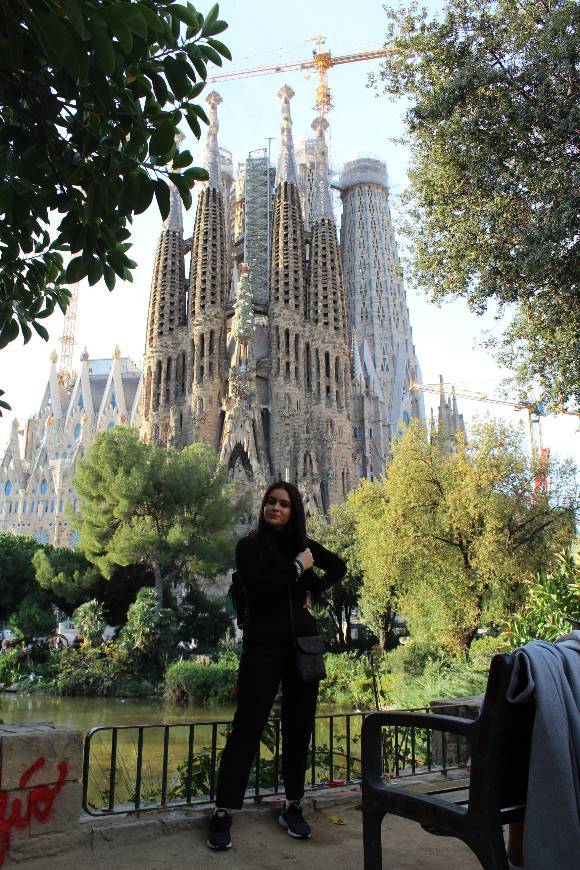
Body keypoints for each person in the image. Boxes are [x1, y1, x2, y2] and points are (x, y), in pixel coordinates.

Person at [207, 480, 347, 851]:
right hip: (263, 646)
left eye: (284, 504)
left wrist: (313, 590)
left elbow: (340, 567)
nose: (276, 508)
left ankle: (293, 805)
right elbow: (259, 587)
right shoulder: (248, 547)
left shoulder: (304, 548)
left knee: (298, 728)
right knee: (247, 727)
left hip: (302, 646)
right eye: (271, 501)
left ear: (294, 510)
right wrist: (298, 571)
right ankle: (223, 811)